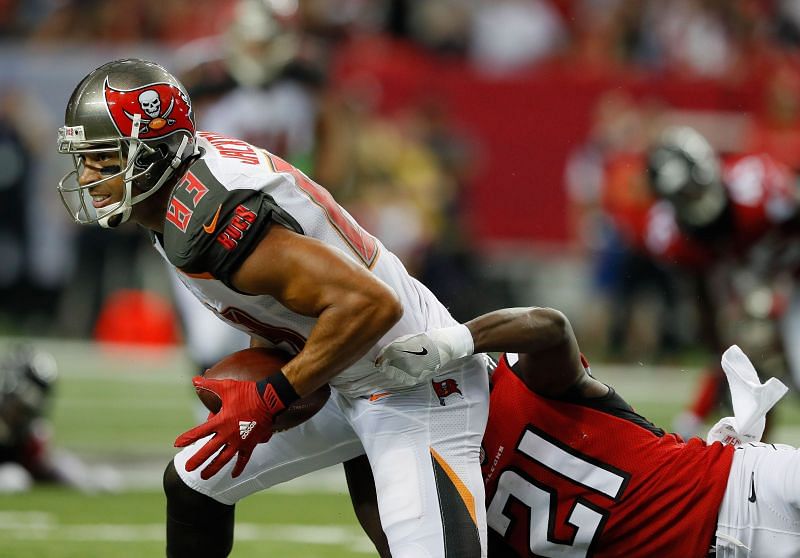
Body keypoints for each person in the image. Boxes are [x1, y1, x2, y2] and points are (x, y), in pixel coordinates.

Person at [56, 58, 490, 558]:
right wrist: (269, 361)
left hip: (411, 383)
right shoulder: (182, 192)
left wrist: (270, 396)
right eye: (85, 159)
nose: (88, 176)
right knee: (195, 483)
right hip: (341, 376)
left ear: (159, 152)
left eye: (106, 159)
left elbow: (371, 305)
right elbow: (278, 300)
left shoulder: (214, 218)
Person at [372, 306, 800, 557]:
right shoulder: (436, 485)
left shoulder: (522, 383)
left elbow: (551, 327)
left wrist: (456, 341)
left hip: (738, 486)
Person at [639, 125, 800, 438]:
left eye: (694, 191)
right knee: (747, 366)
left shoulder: (758, 191)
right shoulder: (672, 236)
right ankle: (756, 465)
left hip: (791, 274)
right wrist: (723, 353)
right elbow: (703, 297)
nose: (694, 202)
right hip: (755, 285)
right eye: (682, 197)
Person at [0, 345, 119, 493]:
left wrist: (82, 479)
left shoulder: (33, 429)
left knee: (19, 475)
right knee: (11, 477)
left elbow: (41, 464)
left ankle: (87, 479)